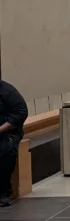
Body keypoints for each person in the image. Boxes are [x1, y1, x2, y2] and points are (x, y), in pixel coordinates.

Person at [0, 79, 28, 207]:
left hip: (6, 132)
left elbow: (20, 112)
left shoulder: (7, 91)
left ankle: (3, 191)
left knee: (5, 149)